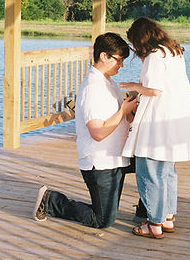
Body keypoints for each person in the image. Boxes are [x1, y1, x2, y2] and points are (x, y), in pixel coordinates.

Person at [33, 32, 138, 228]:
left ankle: (146, 213)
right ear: (104, 56)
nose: (121, 65)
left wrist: (130, 109)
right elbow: (98, 133)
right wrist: (124, 110)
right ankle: (50, 201)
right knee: (102, 220)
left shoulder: (109, 82)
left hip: (117, 156)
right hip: (100, 162)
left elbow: (120, 117)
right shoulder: (93, 87)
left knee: (152, 160)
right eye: (119, 59)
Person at [119, 17, 190, 239]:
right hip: (174, 120)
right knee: (167, 172)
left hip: (157, 122)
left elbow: (154, 90)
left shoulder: (155, 55)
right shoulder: (174, 51)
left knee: (149, 173)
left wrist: (134, 87)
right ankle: (167, 218)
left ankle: (153, 223)